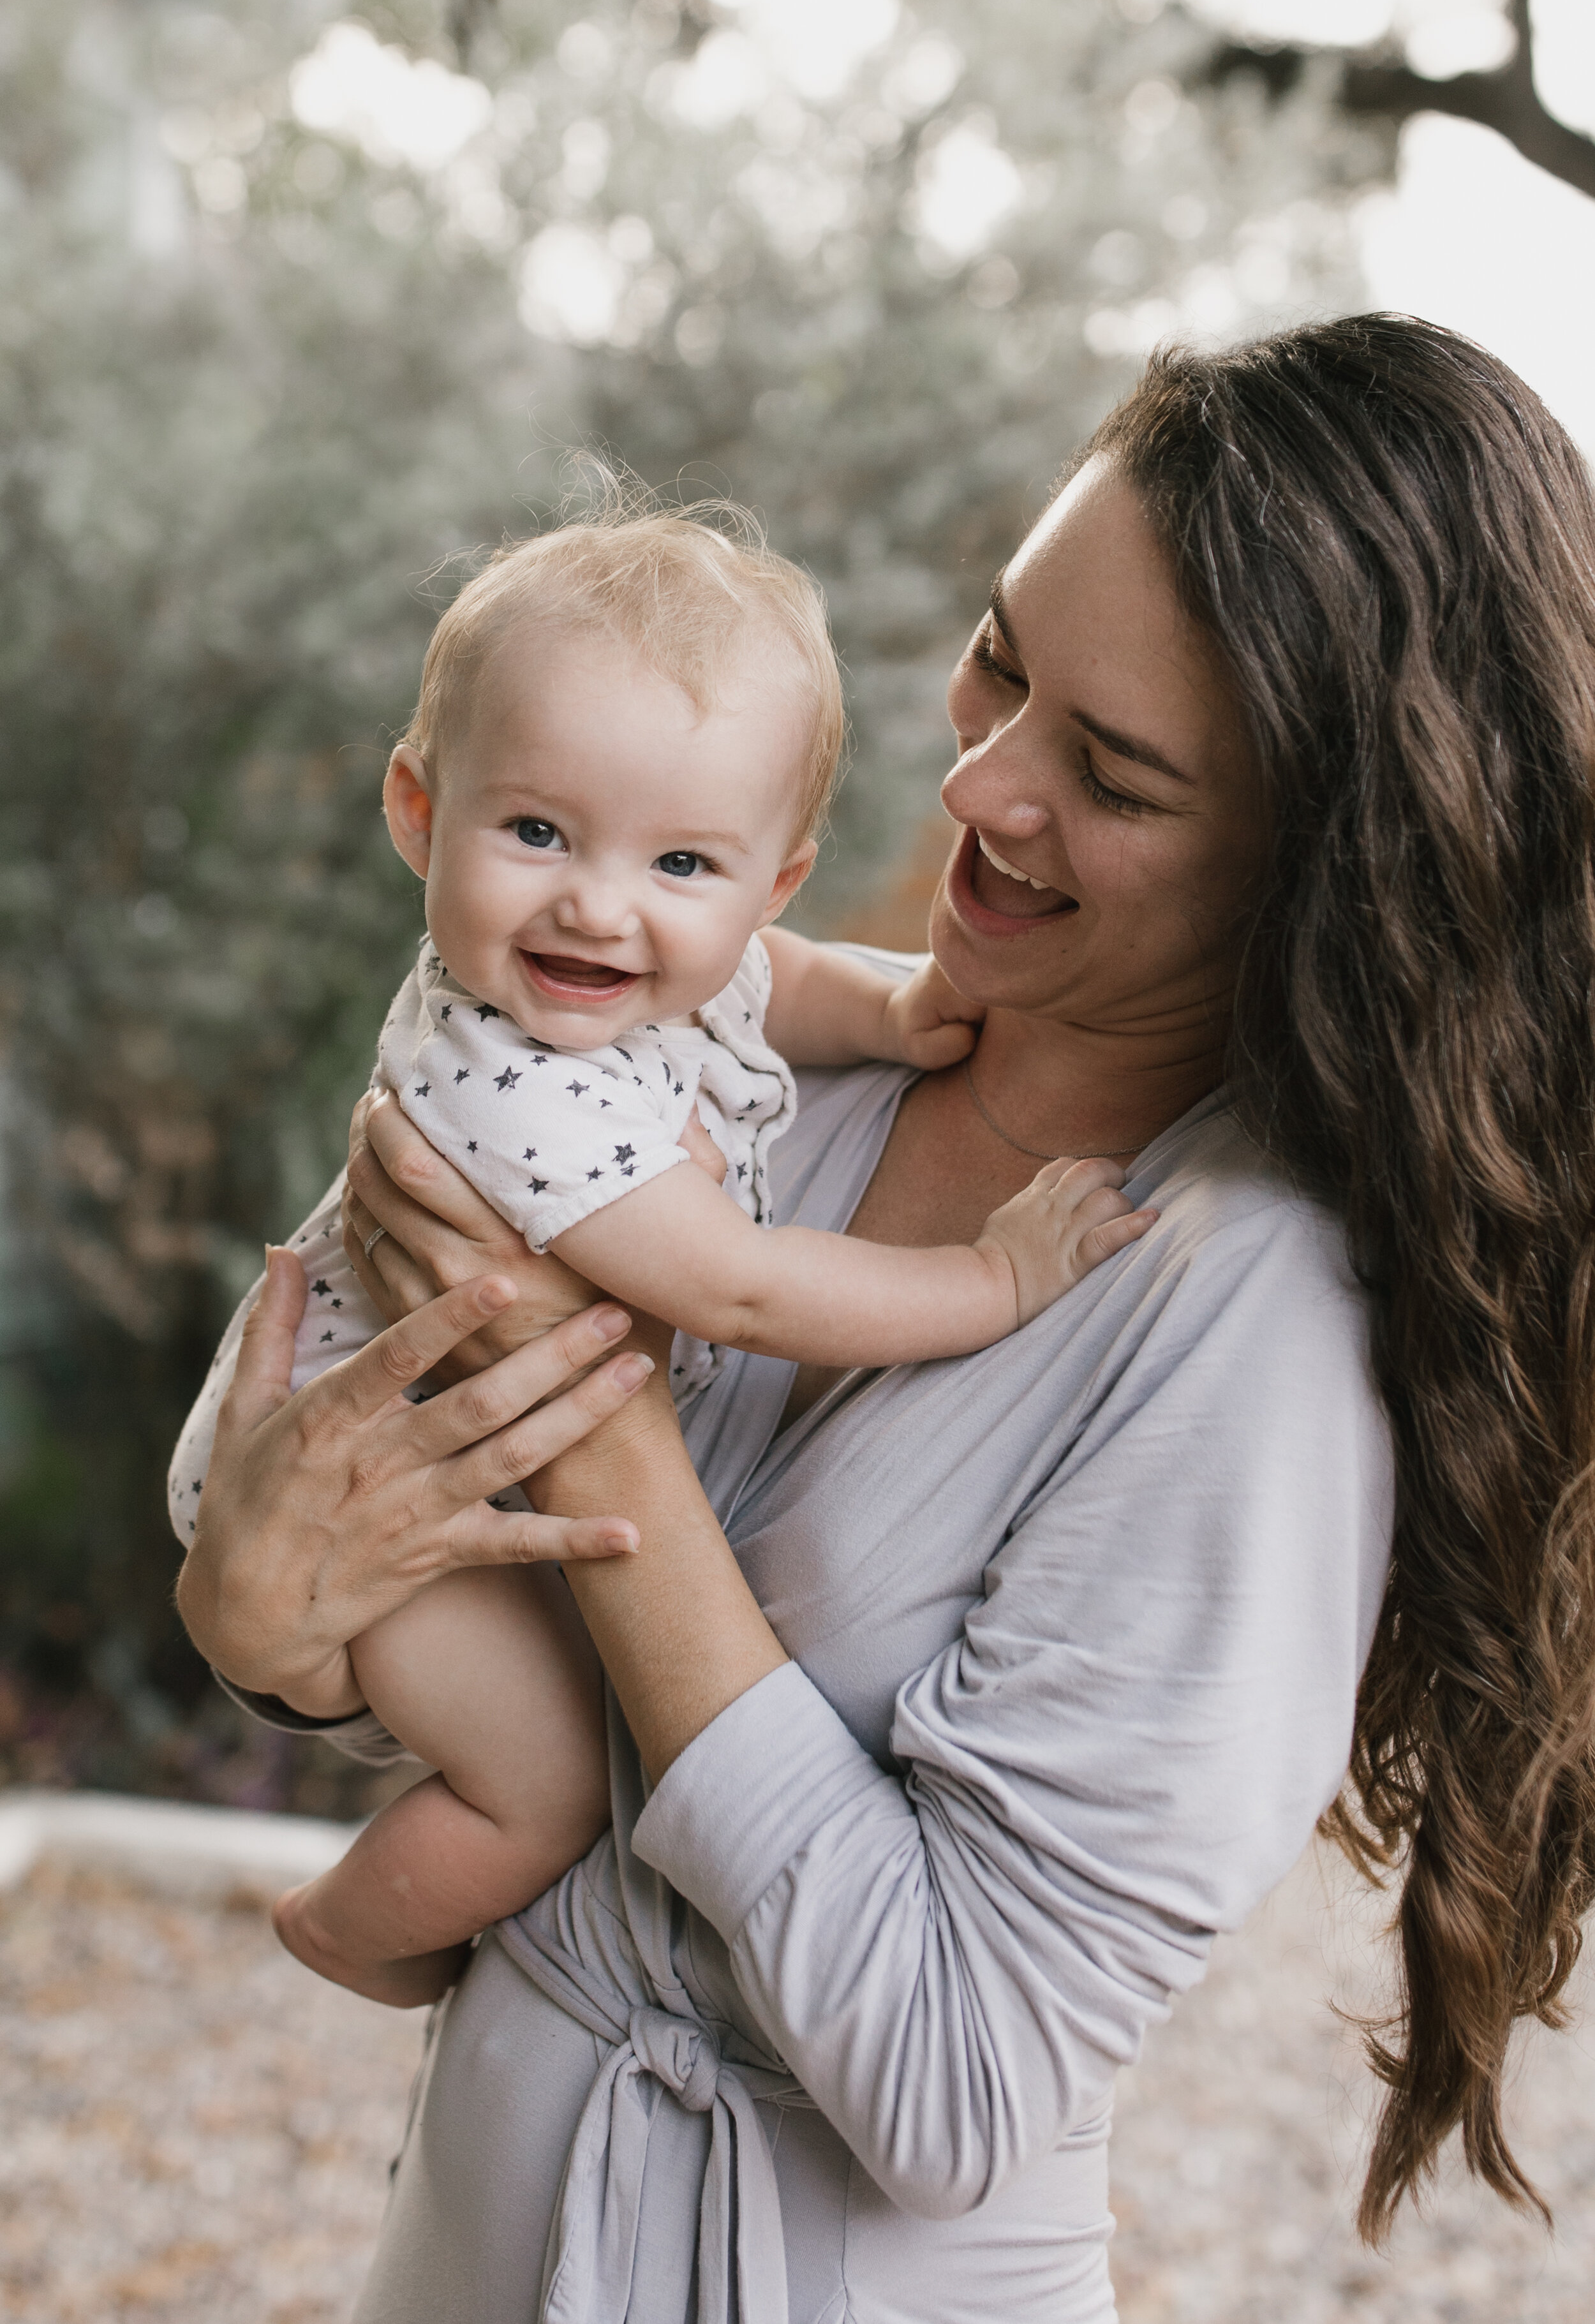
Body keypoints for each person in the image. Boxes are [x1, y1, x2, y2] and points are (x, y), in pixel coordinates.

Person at [175, 316, 1595, 2321]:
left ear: (1318, 864)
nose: (978, 778)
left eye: (1107, 774)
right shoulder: (746, 1056)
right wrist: (272, 1627)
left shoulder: (1245, 1316)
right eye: (1004, 657)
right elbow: (492, 1672)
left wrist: (607, 1444)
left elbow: (952, 2079)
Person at [169, 508, 1150, 2008]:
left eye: (682, 861)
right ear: (420, 813)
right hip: (392, 1494)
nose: (599, 903)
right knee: (547, 1786)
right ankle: (354, 1929)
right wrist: (993, 1282)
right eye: (537, 832)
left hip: (459, 1469)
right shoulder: (515, 1081)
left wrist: (885, 1020)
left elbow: (782, 981)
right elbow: (736, 1286)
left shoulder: (680, 961)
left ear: (772, 879)